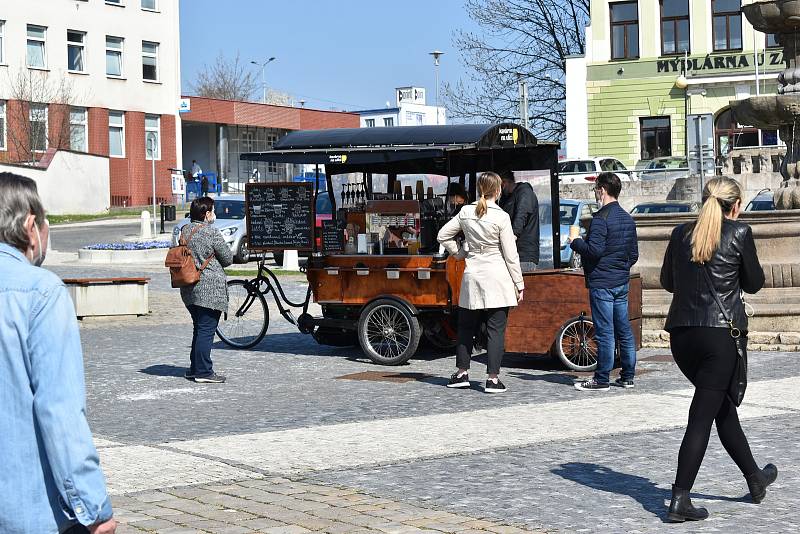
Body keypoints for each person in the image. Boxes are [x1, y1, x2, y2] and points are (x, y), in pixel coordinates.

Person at [0, 172, 116, 533]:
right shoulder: (40, 292)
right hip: (28, 509)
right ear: (31, 226)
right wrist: (93, 506)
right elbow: (59, 410)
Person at [660, 177, 776, 522]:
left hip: (682, 336)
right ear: (735, 205)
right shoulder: (739, 233)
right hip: (719, 338)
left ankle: (756, 478)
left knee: (720, 407)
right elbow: (754, 284)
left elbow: (667, 282)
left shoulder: (681, 233)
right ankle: (680, 498)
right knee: (701, 417)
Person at [438, 172, 524, 394]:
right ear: (497, 190)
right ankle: (492, 379)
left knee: (466, 328)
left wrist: (459, 254)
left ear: (479, 189)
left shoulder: (466, 212)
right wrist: (519, 284)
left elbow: (442, 235)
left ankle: (461, 374)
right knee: (496, 330)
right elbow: (511, 255)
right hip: (498, 276)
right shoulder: (502, 216)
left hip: (473, 275)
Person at [569, 172, 638, 391]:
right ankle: (628, 376)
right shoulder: (627, 218)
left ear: (602, 190)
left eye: (596, 189)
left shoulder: (600, 219)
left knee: (605, 332)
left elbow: (594, 251)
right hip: (621, 281)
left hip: (602, 283)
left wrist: (576, 242)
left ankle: (601, 379)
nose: (596, 193)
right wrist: (619, 267)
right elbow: (633, 255)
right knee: (624, 330)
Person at [180, 196, 234, 383]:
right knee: (206, 330)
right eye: (213, 210)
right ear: (207, 214)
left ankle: (195, 368)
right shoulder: (211, 232)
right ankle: (203, 372)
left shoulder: (184, 230)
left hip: (188, 286)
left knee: (199, 328)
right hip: (209, 288)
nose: (215, 214)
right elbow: (227, 259)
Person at [499, 171, 539, 272]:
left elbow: (521, 217)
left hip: (523, 255)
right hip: (514, 253)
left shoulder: (524, 193)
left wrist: (509, 240)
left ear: (504, 183)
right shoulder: (508, 198)